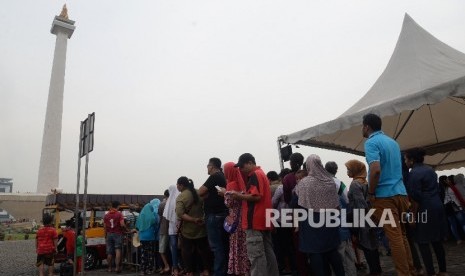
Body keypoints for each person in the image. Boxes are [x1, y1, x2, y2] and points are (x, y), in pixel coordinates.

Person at [362, 113, 415, 275]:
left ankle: (403, 273)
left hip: (385, 196)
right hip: (401, 194)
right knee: (402, 234)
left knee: (394, 237)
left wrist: (371, 193)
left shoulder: (371, 142)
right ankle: (410, 269)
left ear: (367, 126)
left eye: (362, 126)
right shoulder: (393, 142)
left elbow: (375, 170)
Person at [293, 154, 344, 276]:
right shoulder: (330, 181)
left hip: (311, 223)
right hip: (329, 221)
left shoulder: (304, 183)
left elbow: (296, 202)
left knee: (315, 253)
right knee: (332, 251)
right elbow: (336, 203)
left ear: (308, 166)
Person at [231, 153, 279, 276]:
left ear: (250, 163)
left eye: (242, 166)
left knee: (256, 256)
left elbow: (256, 196)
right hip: (264, 219)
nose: (241, 169)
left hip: (255, 221)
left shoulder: (254, 175)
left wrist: (238, 195)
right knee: (268, 253)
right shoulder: (262, 174)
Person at [404, 148, 447, 275]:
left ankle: (431, 272)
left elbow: (416, 198)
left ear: (412, 160)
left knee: (423, 242)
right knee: (437, 241)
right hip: (437, 206)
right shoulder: (430, 170)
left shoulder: (414, 174)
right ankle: (443, 271)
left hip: (424, 208)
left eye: (406, 159)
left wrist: (412, 216)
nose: (405, 162)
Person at [345, 159, 381, 275]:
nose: (347, 171)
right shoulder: (365, 182)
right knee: (373, 245)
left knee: (367, 246)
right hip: (370, 216)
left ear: (355, 170)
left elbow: (360, 204)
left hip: (362, 218)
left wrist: (357, 224)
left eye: (349, 169)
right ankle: (377, 269)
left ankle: (374, 271)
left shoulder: (355, 184)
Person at [197, 157, 229, 276]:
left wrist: (206, 193)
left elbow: (200, 192)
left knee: (216, 247)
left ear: (212, 166)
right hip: (222, 213)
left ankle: (219, 272)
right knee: (223, 244)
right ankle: (224, 271)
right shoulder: (222, 177)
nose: (207, 168)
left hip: (214, 215)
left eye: (208, 165)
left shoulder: (214, 176)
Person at [176, 177, 212, 276]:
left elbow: (180, 214)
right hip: (201, 228)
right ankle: (206, 270)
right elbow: (208, 206)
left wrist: (193, 220)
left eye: (177, 185)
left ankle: (190, 272)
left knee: (186, 252)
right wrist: (201, 219)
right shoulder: (199, 192)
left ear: (181, 185)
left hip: (187, 230)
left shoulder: (181, 197)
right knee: (204, 251)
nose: (177, 187)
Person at [223, 162, 250, 276]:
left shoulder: (231, 184)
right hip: (243, 217)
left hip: (235, 219)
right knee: (244, 245)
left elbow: (229, 203)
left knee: (236, 245)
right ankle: (246, 269)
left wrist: (224, 194)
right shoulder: (242, 182)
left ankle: (239, 270)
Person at [136, 199, 161, 275]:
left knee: (143, 253)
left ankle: (142, 270)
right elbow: (157, 226)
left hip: (142, 237)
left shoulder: (141, 216)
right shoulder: (154, 215)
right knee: (150, 253)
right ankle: (149, 269)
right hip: (151, 237)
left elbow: (137, 226)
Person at [163, 185, 182, 276]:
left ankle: (175, 269)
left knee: (173, 249)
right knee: (182, 249)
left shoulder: (169, 201)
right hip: (180, 228)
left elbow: (167, 216)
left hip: (172, 230)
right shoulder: (179, 198)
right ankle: (182, 267)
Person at [104, 201, 126, 273]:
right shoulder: (119, 214)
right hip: (117, 233)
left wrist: (105, 235)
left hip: (109, 234)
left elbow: (104, 227)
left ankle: (110, 268)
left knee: (109, 252)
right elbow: (122, 224)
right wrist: (126, 230)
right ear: (118, 206)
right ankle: (117, 268)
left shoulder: (106, 215)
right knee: (118, 250)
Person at [158, 189, 171, 274]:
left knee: (162, 250)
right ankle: (174, 267)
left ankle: (166, 266)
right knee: (172, 249)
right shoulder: (174, 203)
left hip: (163, 229)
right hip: (173, 230)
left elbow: (159, 216)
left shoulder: (162, 204)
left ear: (164, 195)